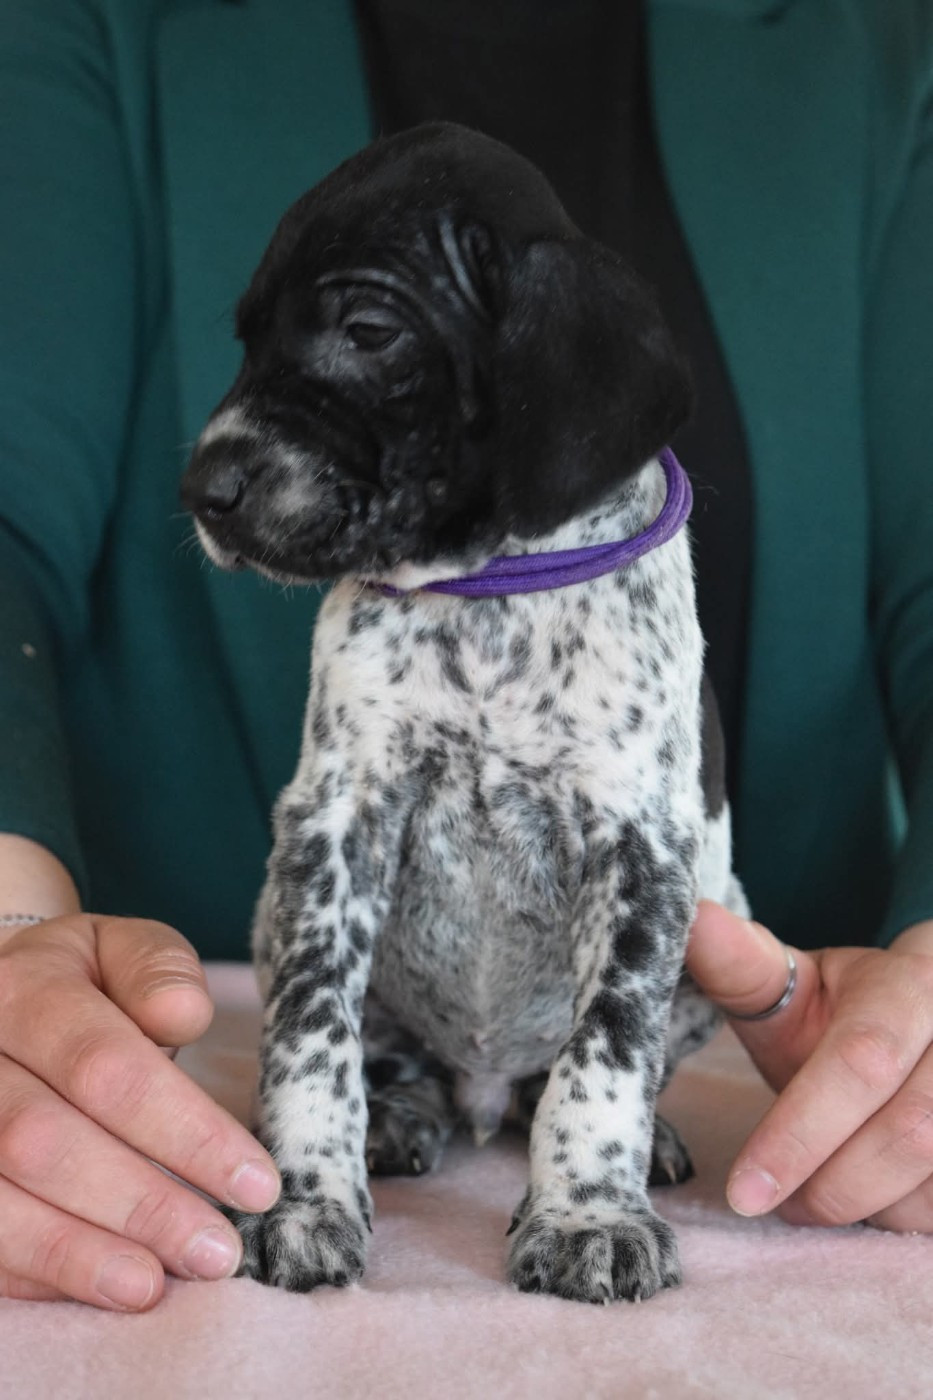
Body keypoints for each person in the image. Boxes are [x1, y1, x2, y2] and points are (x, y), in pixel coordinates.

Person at [0, 0, 930, 1310]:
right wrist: (4, 925)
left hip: (759, 1083)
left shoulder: (880, 48)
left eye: (364, 333)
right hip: (171, 1083)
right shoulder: (94, 29)